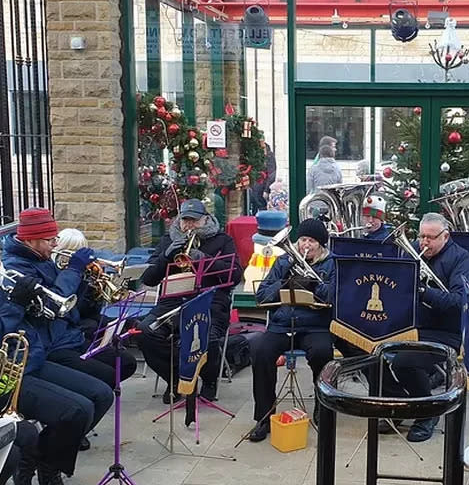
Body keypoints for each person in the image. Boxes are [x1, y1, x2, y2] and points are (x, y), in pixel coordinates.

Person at [0, 231, 114, 485]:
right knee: (76, 411)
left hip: (31, 359)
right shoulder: (8, 280)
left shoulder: (2, 282)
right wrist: (15, 305)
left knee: (102, 394)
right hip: (3, 377)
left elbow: (46, 310)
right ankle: (39, 461)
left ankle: (44, 461)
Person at [2, 208, 137, 388]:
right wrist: (73, 270)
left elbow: (73, 304)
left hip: (68, 333)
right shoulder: (16, 265)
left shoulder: (41, 255)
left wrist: (85, 281)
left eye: (55, 238)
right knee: (106, 378)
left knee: (126, 363)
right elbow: (53, 304)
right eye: (50, 240)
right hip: (49, 343)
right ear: (30, 240)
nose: (55, 245)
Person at [379, 213, 469, 443]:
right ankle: (402, 404)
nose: (424, 243)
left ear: (446, 236)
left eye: (430, 238)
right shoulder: (413, 249)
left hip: (444, 331)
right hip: (408, 323)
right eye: (422, 236)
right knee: (370, 353)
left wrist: (423, 291)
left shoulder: (463, 260)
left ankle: (427, 411)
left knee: (404, 362)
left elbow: (460, 303)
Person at [137, 199, 242, 403]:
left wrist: (203, 259)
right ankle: (177, 378)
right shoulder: (169, 239)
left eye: (194, 221)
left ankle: (209, 380)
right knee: (145, 332)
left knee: (206, 336)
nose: (189, 225)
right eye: (185, 220)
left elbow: (235, 275)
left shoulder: (222, 240)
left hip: (210, 302)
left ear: (205, 219)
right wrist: (166, 256)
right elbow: (148, 278)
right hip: (172, 302)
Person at [247, 219, 336, 442]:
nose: (306, 245)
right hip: (283, 324)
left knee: (322, 353)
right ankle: (264, 417)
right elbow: (262, 295)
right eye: (303, 239)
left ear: (321, 245)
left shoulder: (331, 264)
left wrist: (314, 284)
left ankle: (322, 407)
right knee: (260, 351)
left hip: (315, 325)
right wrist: (283, 282)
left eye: (312, 241)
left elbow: (335, 297)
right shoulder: (283, 262)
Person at [250, 141, 277, 213]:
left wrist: (266, 190)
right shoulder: (256, 156)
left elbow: (272, 174)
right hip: (255, 186)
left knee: (262, 205)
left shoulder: (269, 156)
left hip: (262, 186)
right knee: (254, 205)